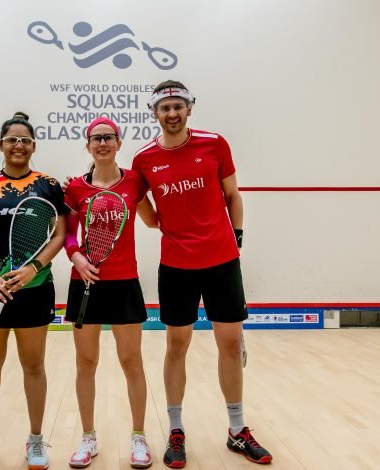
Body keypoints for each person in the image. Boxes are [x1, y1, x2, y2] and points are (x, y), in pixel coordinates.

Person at [132, 81, 273, 467]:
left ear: (189, 109)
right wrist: (155, 218)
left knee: (229, 344)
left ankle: (237, 429)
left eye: (178, 106)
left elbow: (233, 196)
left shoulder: (215, 144)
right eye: (165, 108)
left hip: (222, 261)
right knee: (176, 346)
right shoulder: (145, 159)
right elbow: (142, 206)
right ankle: (176, 429)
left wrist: (235, 240)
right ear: (155, 113)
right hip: (176, 265)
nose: (172, 113)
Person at [0, 112, 68, 470]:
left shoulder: (49, 185)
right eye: (12, 140)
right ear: (1, 145)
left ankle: (36, 440)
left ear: (33, 146)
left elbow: (60, 234)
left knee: (33, 364)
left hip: (35, 288)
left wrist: (32, 268)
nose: (18, 146)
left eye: (24, 140)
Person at [63, 117, 156, 468]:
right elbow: (70, 234)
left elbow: (151, 219)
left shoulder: (134, 181)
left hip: (124, 283)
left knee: (131, 362)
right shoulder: (75, 188)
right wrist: (76, 257)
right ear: (88, 146)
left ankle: (139, 437)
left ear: (118, 143)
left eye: (109, 138)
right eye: (96, 138)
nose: (102, 143)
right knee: (86, 363)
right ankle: (88, 438)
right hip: (84, 282)